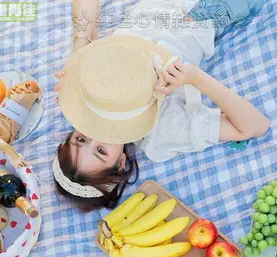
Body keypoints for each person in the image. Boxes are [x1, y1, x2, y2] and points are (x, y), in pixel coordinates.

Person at [53, 0, 270, 212]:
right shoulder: (162, 133)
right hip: (206, 9)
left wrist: (79, 51)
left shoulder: (87, 96)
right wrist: (194, 77)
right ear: (120, 162)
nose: (95, 134)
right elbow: (255, 126)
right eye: (101, 150)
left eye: (80, 139)